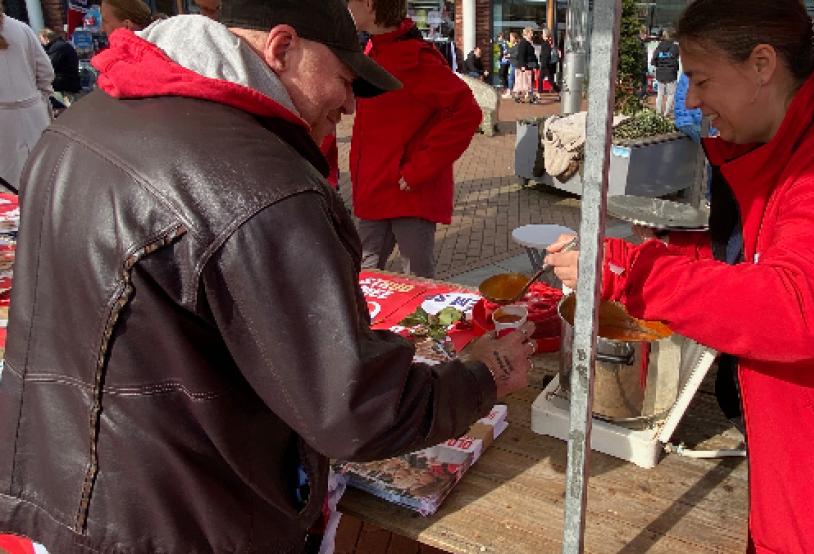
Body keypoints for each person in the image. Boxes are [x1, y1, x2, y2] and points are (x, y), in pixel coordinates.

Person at [0, 1, 535, 552]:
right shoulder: (261, 183)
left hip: (71, 490)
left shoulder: (85, 118)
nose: (350, 104)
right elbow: (355, 407)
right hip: (183, 519)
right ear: (281, 49)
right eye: (345, 79)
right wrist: (483, 375)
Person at [545, 1, 814, 552]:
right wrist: (673, 257)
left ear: (761, 64)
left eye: (702, 79)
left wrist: (632, 271)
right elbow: (764, 262)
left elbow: (801, 309)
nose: (693, 100)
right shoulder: (795, 145)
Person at [347, 0, 482, 278]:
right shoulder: (375, 48)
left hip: (407, 190)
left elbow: (466, 113)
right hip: (376, 186)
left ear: (369, 5)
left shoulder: (414, 58)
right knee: (362, 278)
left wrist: (420, 169)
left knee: (417, 282)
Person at [0, 4, 53, 189]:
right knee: (45, 180)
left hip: (5, 124)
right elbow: (46, 71)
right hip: (34, 115)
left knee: (10, 189)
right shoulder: (22, 28)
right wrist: (38, 97)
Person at [39, 28, 81, 98]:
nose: (40, 42)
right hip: (69, 80)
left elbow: (49, 66)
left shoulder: (57, 47)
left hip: (65, 83)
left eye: (41, 39)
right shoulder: (61, 45)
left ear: (45, 38)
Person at [650, 29, 679, 115]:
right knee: (671, 94)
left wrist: (659, 66)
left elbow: (653, 61)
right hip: (671, 73)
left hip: (660, 73)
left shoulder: (659, 47)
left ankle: (658, 112)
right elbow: (677, 57)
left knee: (660, 94)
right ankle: (666, 113)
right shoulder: (675, 47)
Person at [511, 27, 538, 103]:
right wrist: (522, 66)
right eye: (531, 33)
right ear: (526, 33)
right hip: (524, 66)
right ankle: (529, 97)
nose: (532, 35)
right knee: (525, 82)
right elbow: (521, 55)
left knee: (525, 82)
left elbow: (532, 55)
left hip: (528, 65)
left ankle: (523, 96)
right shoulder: (523, 43)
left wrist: (536, 65)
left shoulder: (528, 42)